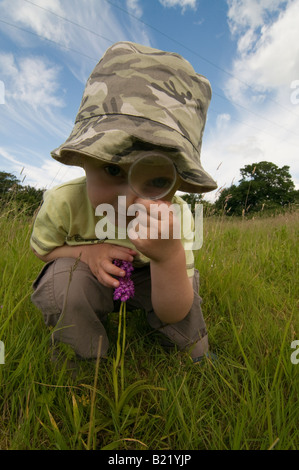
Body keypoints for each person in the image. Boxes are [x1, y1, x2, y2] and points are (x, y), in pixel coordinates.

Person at [30, 41, 217, 363]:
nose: (132, 199)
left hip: (151, 276)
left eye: (158, 181)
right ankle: (84, 358)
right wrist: (86, 252)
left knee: (191, 339)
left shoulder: (175, 215)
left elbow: (174, 310)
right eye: (113, 169)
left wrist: (168, 257)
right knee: (64, 279)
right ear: (83, 160)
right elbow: (42, 249)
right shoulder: (64, 201)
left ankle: (190, 350)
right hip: (88, 274)